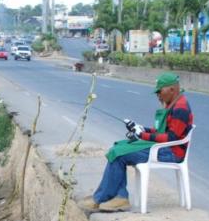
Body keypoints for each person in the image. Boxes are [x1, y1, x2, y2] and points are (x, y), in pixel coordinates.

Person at [83, 72, 193, 212]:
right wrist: (140, 128)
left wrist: (143, 135)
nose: (158, 95)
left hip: (170, 152)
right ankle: (118, 196)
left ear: (171, 89)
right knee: (118, 146)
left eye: (160, 91)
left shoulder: (180, 108)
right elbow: (161, 131)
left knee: (118, 154)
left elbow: (172, 138)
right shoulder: (173, 103)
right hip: (163, 148)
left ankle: (102, 198)